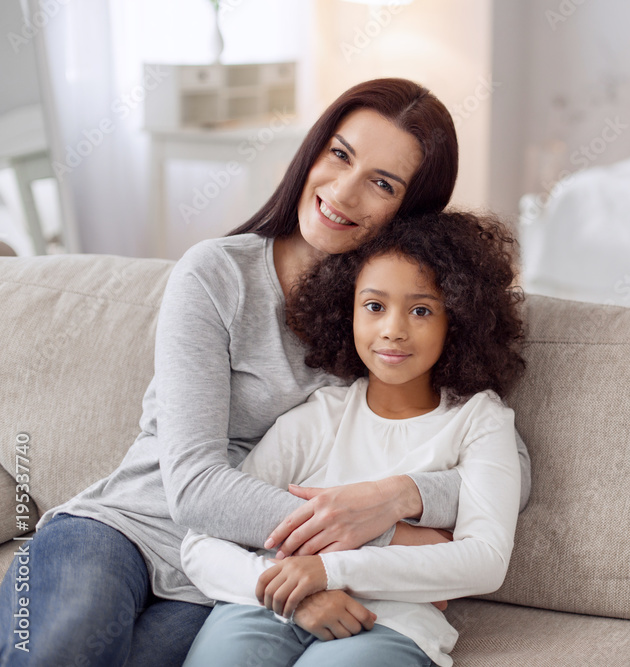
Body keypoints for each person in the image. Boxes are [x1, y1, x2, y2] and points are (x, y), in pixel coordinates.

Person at [0, 78, 531, 667]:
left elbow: (512, 467)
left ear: (410, 213)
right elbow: (194, 484)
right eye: (340, 155)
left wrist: (397, 495)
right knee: (59, 652)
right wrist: (376, 533)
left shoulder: (389, 317)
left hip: (232, 576)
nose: (344, 192)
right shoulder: (216, 276)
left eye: (382, 183)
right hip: (124, 530)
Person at [181, 209, 525, 666]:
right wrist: (297, 589)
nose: (393, 330)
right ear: (349, 311)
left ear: (457, 320)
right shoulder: (318, 417)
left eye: (421, 310)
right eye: (375, 306)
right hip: (271, 607)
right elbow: (201, 540)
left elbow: (484, 561)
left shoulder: (480, 421)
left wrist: (328, 569)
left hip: (391, 624)